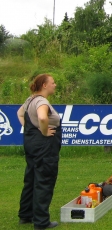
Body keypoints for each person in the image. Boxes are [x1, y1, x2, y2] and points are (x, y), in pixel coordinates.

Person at [17, 74, 62, 229]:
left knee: (31, 179)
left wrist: (32, 130)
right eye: (53, 82)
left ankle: (25, 215)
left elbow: (20, 113)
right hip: (44, 147)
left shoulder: (30, 100)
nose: (55, 85)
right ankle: (41, 221)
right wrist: (42, 131)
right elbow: (43, 118)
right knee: (44, 181)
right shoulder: (41, 101)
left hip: (31, 145)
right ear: (44, 85)